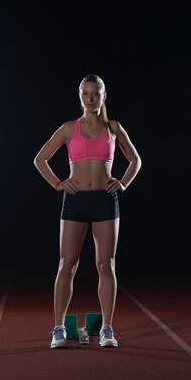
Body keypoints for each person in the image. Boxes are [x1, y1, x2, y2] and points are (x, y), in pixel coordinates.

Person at [33, 74, 142, 348]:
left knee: (106, 265)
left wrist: (123, 183)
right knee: (66, 265)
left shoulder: (114, 127)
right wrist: (58, 183)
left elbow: (135, 160)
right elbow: (40, 158)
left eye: (96, 93)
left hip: (105, 201)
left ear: (105, 96)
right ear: (79, 96)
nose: (91, 98)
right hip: (76, 201)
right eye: (86, 93)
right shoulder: (70, 128)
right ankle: (58, 328)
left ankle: (106, 328)